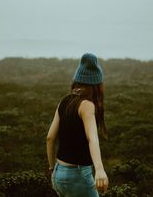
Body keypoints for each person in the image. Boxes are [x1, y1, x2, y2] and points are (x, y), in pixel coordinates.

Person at [46, 53, 109, 197]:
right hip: (78, 175)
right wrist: (99, 169)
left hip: (58, 174)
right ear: (97, 84)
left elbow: (50, 138)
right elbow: (92, 138)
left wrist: (52, 168)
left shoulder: (65, 101)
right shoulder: (87, 106)